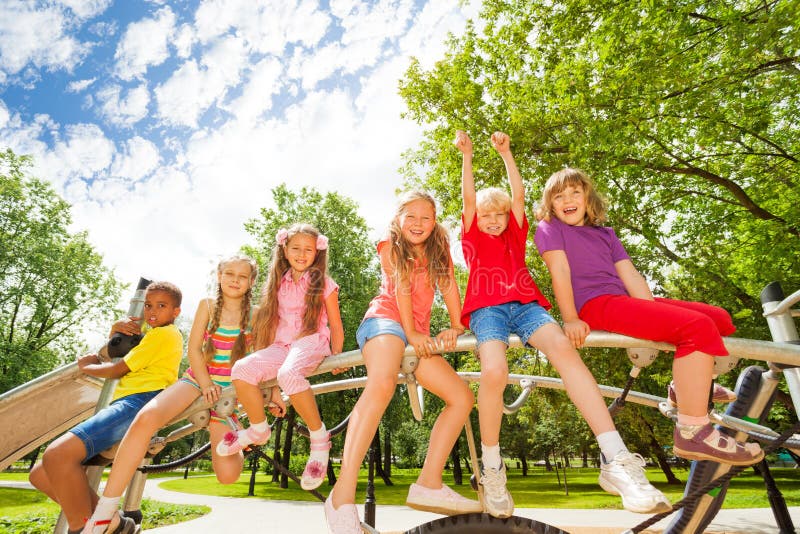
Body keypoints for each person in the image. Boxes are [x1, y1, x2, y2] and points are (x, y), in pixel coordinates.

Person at [455, 131, 671, 517]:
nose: (492, 220)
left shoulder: (516, 234)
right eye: (486, 215)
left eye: (499, 214)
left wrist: (507, 154)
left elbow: (519, 197)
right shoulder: (472, 236)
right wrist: (467, 157)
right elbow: (470, 200)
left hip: (526, 305)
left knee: (564, 350)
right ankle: (492, 466)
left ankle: (615, 457)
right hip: (487, 309)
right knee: (494, 372)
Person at [533, 167, 764, 467]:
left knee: (718, 318)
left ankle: (686, 387)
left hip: (623, 300)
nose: (568, 199)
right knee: (697, 327)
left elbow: (630, 275)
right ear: (550, 205)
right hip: (595, 304)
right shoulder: (550, 228)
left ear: (588, 197)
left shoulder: (606, 234)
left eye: (575, 192)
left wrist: (654, 315)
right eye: (559, 196)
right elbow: (559, 272)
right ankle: (692, 430)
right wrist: (570, 318)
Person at [324, 191, 481, 534]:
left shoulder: (439, 248)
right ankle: (342, 495)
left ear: (435, 220)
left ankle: (428, 481)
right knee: (380, 383)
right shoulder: (390, 243)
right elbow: (401, 288)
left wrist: (457, 325)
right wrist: (412, 333)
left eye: (426, 218)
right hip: (386, 322)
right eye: (411, 216)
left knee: (462, 397)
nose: (418, 224)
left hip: (417, 335)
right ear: (398, 218)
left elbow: (450, 286)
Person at [82, 256, 258, 534]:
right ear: (219, 276)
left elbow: (256, 359)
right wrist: (204, 382)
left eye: (243, 276)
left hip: (228, 391)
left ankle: (237, 435)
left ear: (251, 282)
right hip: (197, 380)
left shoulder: (256, 314)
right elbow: (194, 351)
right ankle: (105, 512)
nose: (235, 280)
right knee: (147, 417)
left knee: (227, 476)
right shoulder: (208, 306)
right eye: (229, 273)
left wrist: (258, 395)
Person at [29, 281, 183, 534]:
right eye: (148, 305)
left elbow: (116, 369)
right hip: (124, 402)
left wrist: (86, 365)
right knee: (41, 474)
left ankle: (83, 527)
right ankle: (113, 523)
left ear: (176, 312)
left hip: (139, 402)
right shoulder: (153, 335)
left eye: (161, 306)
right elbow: (118, 354)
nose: (152, 311)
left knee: (57, 455)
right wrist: (115, 332)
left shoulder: (165, 335)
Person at [216, 224, 344, 492]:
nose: (301, 253)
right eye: (295, 248)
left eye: (308, 249)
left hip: (312, 342)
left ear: (316, 251)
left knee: (289, 373)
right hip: (282, 346)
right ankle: (258, 429)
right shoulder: (278, 283)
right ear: (284, 249)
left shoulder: (324, 283)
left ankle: (319, 439)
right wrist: (271, 388)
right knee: (242, 369)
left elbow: (335, 323)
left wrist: (338, 354)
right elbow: (270, 329)